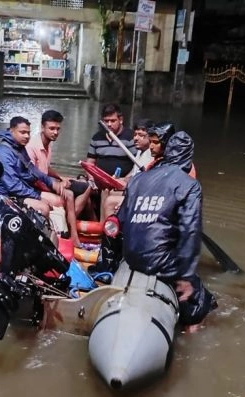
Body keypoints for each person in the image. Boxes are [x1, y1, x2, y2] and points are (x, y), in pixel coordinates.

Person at [115, 130, 217, 329]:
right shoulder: (189, 185)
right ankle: (191, 331)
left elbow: (122, 220)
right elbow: (190, 230)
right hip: (160, 262)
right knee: (205, 302)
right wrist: (186, 275)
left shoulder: (138, 179)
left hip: (130, 256)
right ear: (189, 156)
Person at [26, 110, 92, 244]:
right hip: (35, 187)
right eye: (51, 128)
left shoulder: (47, 144)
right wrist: (55, 185)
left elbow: (45, 168)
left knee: (87, 187)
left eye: (57, 129)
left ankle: (75, 227)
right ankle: (72, 235)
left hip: (46, 183)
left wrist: (61, 178)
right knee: (68, 195)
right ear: (42, 127)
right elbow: (31, 176)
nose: (55, 132)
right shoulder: (32, 147)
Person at [0, 116, 66, 218]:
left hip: (23, 189)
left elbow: (33, 170)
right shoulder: (3, 153)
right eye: (22, 132)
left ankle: (60, 231)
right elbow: (13, 186)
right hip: (8, 195)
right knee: (44, 208)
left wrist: (51, 182)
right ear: (11, 131)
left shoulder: (19, 147)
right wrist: (37, 197)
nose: (27, 136)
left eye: (28, 133)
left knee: (59, 201)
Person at [101, 118, 156, 219]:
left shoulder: (151, 155)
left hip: (142, 195)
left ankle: (108, 231)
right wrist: (118, 180)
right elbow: (133, 173)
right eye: (135, 135)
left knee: (110, 200)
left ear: (151, 137)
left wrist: (126, 183)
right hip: (133, 189)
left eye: (141, 135)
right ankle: (103, 226)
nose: (136, 138)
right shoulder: (140, 151)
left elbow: (142, 179)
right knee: (106, 190)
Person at [86, 103, 137, 177]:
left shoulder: (130, 137)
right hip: (100, 180)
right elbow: (90, 163)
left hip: (123, 181)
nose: (109, 124)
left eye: (113, 121)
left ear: (121, 120)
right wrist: (92, 179)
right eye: (106, 121)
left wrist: (125, 180)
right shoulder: (96, 138)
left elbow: (137, 165)